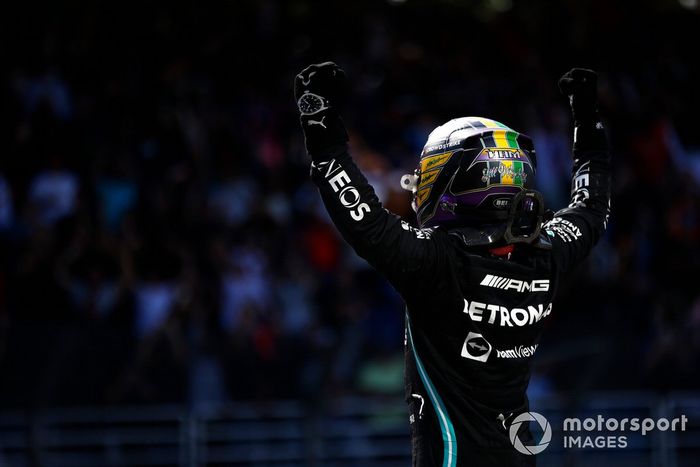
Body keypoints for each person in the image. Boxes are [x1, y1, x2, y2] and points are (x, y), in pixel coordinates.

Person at [294, 63, 610, 467]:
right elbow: (592, 206)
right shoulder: (546, 254)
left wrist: (318, 122)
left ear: (458, 180)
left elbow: (362, 218)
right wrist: (588, 119)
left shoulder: (437, 263)